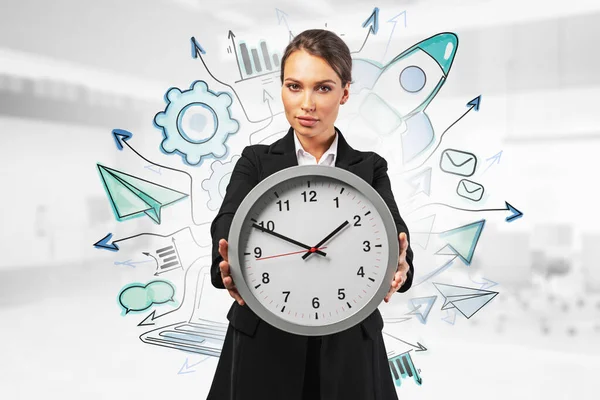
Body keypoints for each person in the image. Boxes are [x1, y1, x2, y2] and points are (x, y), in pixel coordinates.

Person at [207, 29, 414, 400]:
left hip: (348, 345)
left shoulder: (369, 167)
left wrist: (402, 262)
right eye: (294, 86)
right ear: (282, 89)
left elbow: (393, 229)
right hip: (264, 343)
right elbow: (227, 221)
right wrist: (225, 262)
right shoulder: (256, 161)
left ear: (345, 93)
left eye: (323, 88)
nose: (307, 104)